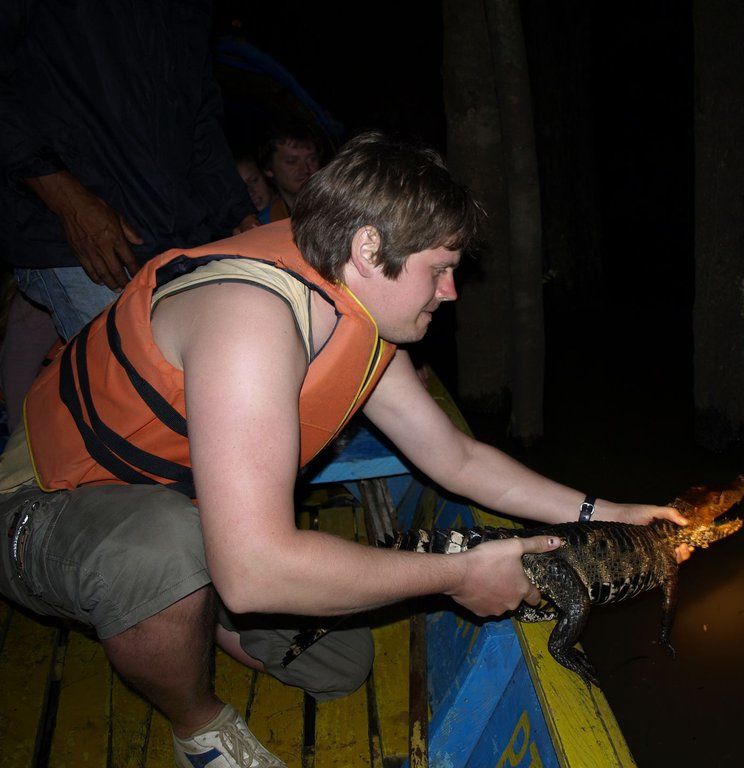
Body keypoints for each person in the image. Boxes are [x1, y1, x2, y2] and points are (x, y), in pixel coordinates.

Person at [0, 133, 692, 768]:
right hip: (50, 502)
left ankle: (193, 613)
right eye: (441, 269)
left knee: (339, 664)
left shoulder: (355, 309)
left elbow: (458, 460)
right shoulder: (251, 321)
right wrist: (458, 576)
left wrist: (609, 510)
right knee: (160, 549)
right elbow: (254, 576)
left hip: (187, 510)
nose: (452, 292)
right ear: (368, 248)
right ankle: (198, 727)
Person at [0, 0, 258, 342]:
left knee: (189, 376)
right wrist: (67, 199)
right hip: (81, 236)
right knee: (133, 385)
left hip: (178, 232)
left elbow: (199, 111)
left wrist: (235, 211)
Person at [258, 123, 322, 213]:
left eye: (312, 159)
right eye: (292, 161)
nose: (305, 169)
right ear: (268, 169)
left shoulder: (340, 206)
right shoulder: (264, 224)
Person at [237, 155, 289, 225]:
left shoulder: (289, 206)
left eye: (254, 180)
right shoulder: (240, 227)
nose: (250, 192)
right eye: (241, 188)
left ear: (265, 175)